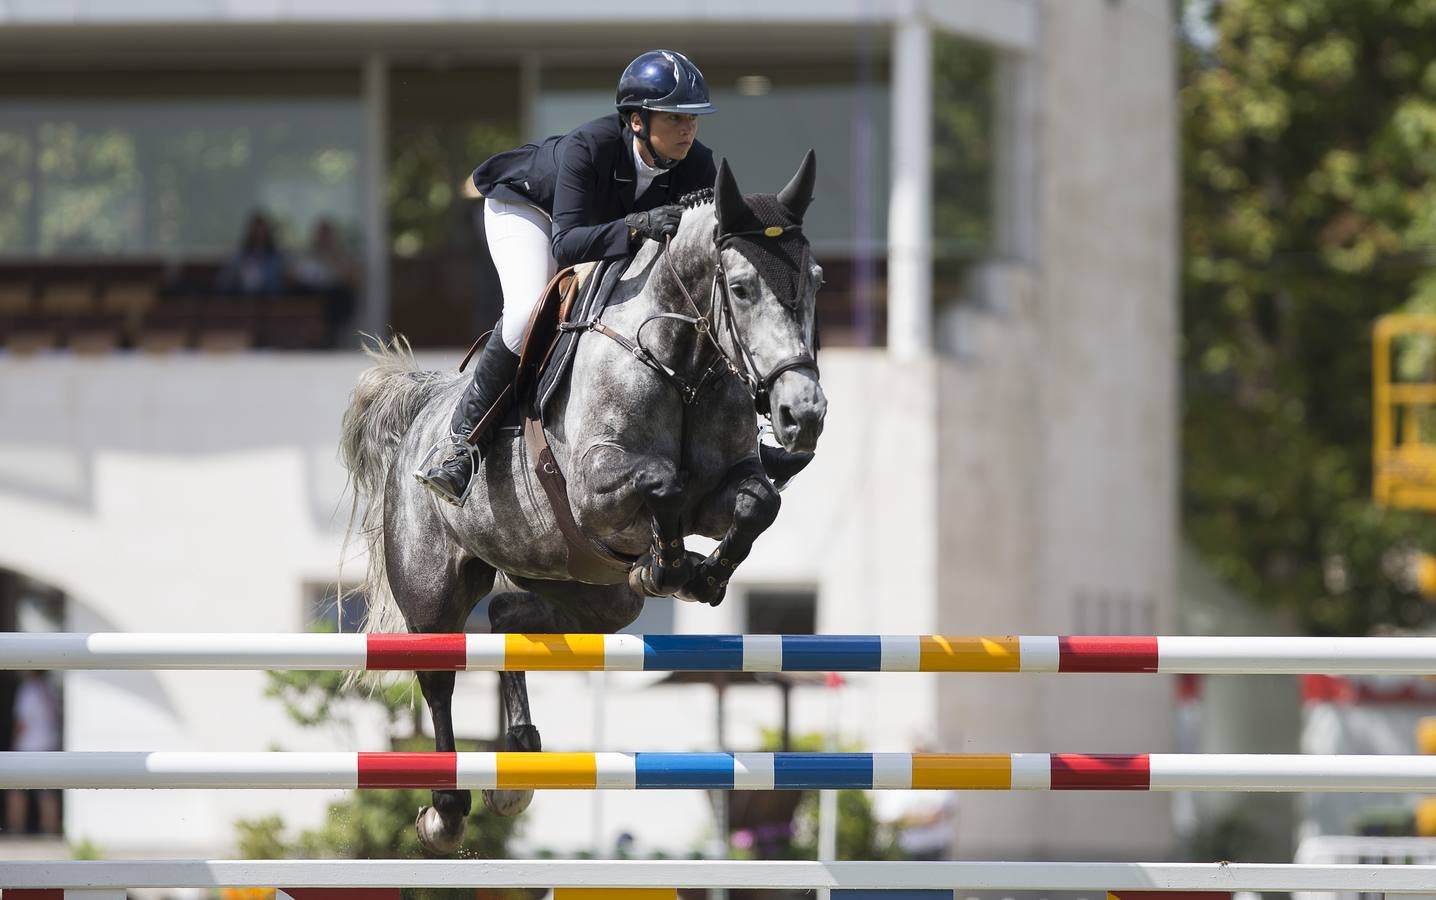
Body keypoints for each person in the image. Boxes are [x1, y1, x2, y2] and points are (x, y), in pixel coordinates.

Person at [417, 49, 812, 506]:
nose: (688, 129)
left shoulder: (697, 163)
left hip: (598, 227)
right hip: (528, 211)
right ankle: (460, 447)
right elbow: (566, 246)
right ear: (638, 121)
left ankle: (749, 447)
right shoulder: (591, 148)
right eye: (675, 118)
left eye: (693, 119)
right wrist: (633, 225)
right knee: (527, 308)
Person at [7, 671, 60, 835]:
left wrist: (13, 744)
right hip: (49, 743)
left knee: (16, 789)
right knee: (47, 791)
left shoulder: (27, 689)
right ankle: (50, 829)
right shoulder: (49, 688)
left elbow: (21, 722)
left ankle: (16, 828)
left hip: (28, 745)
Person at [216, 211, 286, 296]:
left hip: (270, 302)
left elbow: (278, 286)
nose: (260, 236)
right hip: (243, 302)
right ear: (251, 234)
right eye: (256, 233)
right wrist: (238, 277)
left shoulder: (277, 257)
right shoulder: (240, 256)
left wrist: (262, 280)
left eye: (263, 233)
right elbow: (223, 282)